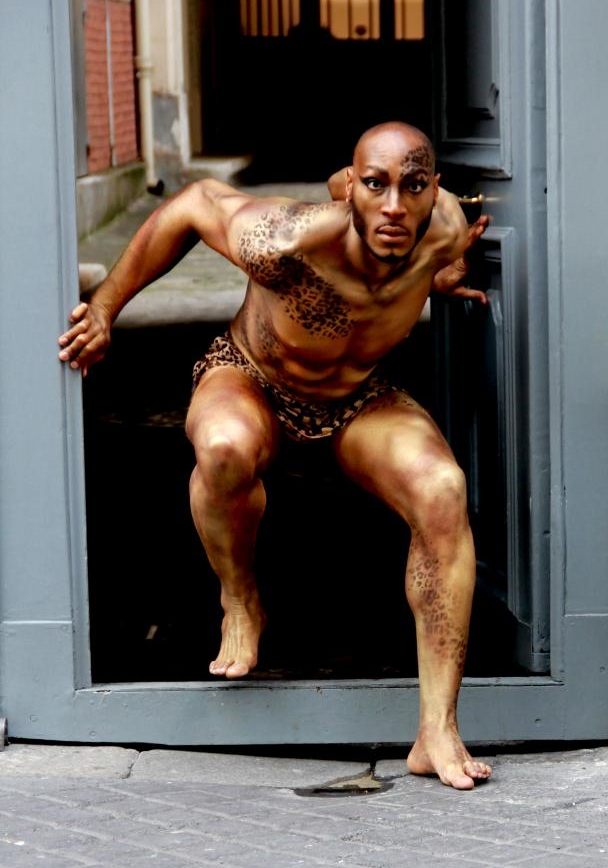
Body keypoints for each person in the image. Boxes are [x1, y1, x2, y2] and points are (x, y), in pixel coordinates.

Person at [59, 121, 492, 789]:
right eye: (374, 186)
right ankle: (240, 599)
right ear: (351, 190)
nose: (394, 207)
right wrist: (105, 308)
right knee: (224, 448)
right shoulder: (285, 240)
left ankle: (436, 729)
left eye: (412, 187)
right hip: (253, 376)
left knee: (442, 489)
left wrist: (443, 278)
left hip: (355, 396)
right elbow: (193, 202)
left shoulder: (445, 225)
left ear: (433, 188)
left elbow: (426, 231)